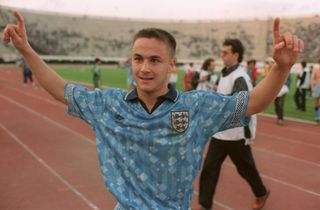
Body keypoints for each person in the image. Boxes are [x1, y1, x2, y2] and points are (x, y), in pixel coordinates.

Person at [3, 11, 304, 210]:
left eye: (155, 60)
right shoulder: (108, 105)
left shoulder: (196, 107)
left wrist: (283, 66)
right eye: (138, 58)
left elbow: (253, 103)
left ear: (171, 65)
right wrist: (27, 50)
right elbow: (60, 89)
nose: (144, 67)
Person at [198, 38, 269, 210]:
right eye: (221, 52)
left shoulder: (240, 77)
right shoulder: (225, 73)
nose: (221, 55)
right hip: (220, 133)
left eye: (225, 52)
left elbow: (240, 107)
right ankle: (204, 205)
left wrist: (215, 110)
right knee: (209, 169)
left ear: (236, 55)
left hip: (236, 134)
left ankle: (261, 193)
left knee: (246, 169)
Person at [310, 59, 320, 124]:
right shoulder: (316, 70)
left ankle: (318, 116)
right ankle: (316, 117)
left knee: (319, 103)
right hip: (317, 87)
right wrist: (312, 87)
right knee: (316, 103)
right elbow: (312, 79)